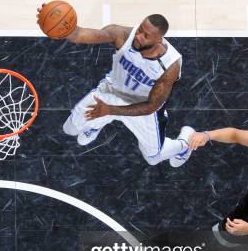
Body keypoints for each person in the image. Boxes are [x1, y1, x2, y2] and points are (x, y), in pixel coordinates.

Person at [58, 14, 194, 166]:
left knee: (153, 158)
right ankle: (95, 125)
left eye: (146, 36)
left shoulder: (170, 66)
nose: (138, 36)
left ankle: (184, 144)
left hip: (142, 106)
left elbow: (151, 106)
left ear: (158, 40)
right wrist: (58, 26)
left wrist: (110, 110)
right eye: (140, 29)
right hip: (111, 91)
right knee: (69, 129)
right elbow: (78, 34)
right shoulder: (122, 35)